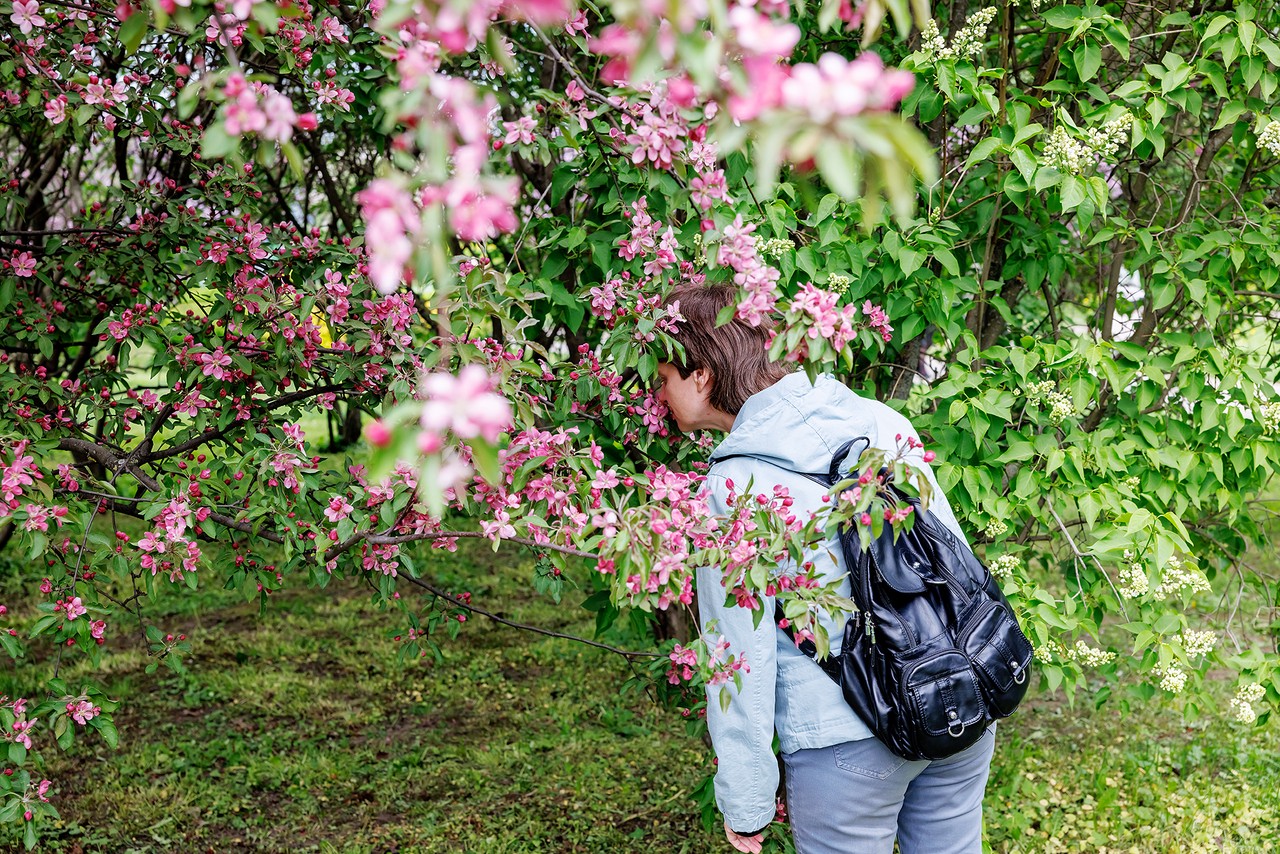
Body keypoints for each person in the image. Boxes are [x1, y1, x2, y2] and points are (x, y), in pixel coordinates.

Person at [655, 284, 996, 854]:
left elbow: (738, 656)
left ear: (702, 376)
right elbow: (956, 563)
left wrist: (748, 801)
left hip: (845, 739)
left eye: (664, 374)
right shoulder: (879, 421)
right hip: (955, 701)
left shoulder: (731, 486)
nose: (657, 391)